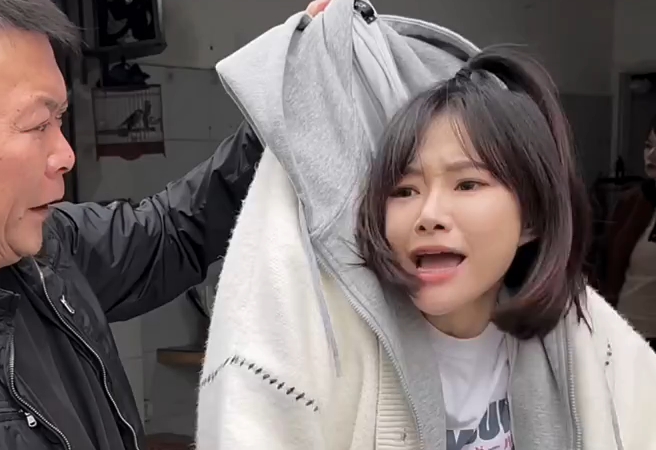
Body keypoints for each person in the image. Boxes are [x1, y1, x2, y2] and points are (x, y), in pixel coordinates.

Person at [196, 1, 656, 448]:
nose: (429, 215)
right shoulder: (337, 352)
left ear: (533, 217)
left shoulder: (583, 341)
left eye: (468, 184)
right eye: (404, 190)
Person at [0, 1, 265, 449]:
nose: (66, 155)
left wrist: (283, 102)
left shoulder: (51, 252)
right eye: (37, 125)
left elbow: (176, 229)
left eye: (60, 120)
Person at [598, 115, 656, 349]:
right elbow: (607, 264)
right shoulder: (632, 202)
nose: (651, 156)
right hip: (624, 332)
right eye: (648, 146)